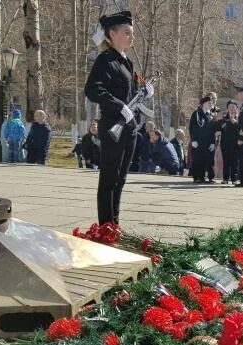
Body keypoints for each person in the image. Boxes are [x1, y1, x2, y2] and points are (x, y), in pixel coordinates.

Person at [85, 10, 153, 225]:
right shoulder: (106, 60)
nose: (131, 37)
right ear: (112, 34)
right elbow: (93, 89)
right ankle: (106, 226)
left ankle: (114, 223)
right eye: (127, 33)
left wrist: (145, 91)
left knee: (121, 178)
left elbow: (133, 92)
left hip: (130, 126)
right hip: (113, 124)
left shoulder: (128, 63)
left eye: (132, 33)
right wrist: (117, 105)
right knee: (109, 178)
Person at [188, 96, 216, 183]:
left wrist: (213, 142)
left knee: (209, 160)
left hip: (208, 142)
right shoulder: (196, 113)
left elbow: (213, 130)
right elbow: (192, 127)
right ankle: (198, 177)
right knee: (198, 160)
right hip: (198, 141)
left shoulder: (211, 115)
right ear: (203, 104)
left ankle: (210, 177)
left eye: (211, 103)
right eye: (209, 103)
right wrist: (193, 140)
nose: (211, 104)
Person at [220, 100, 240, 184]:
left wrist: (235, 123)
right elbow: (220, 128)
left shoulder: (240, 118)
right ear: (227, 108)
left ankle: (234, 179)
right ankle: (225, 178)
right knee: (226, 161)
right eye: (230, 107)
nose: (231, 109)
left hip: (235, 143)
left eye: (233, 107)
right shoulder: (224, 118)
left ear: (236, 108)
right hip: (225, 143)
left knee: (234, 161)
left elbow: (242, 130)